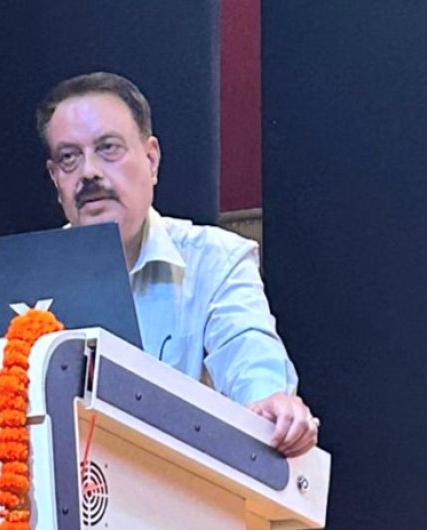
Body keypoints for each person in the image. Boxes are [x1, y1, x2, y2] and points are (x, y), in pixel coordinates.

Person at [36, 72, 318, 457]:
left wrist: (270, 402)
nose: (89, 172)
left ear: (151, 160)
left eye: (108, 148)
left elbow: (248, 354)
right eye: (69, 157)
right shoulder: (29, 277)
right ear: (55, 179)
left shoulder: (216, 261)